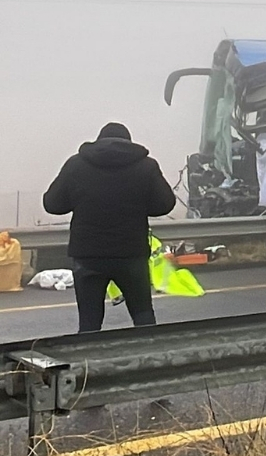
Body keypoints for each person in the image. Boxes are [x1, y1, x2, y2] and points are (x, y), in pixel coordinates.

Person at [43, 123, 177, 333]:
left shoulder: (76, 165)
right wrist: (139, 203)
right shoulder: (146, 166)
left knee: (89, 323)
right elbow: (165, 204)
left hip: (88, 255)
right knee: (143, 316)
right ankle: (152, 358)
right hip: (131, 254)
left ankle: (88, 363)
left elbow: (52, 204)